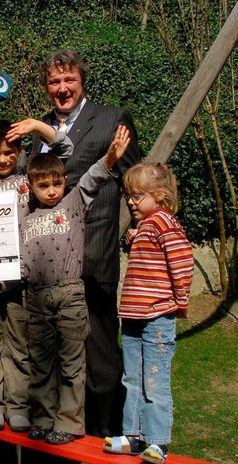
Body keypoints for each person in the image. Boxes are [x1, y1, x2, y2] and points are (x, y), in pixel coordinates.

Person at [30, 49, 142, 437]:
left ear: (82, 81)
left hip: (93, 257)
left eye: (69, 80)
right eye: (54, 82)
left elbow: (135, 179)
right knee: (56, 357)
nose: (62, 89)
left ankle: (108, 434)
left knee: (100, 356)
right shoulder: (40, 129)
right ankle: (67, 433)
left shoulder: (111, 119)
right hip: (47, 269)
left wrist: (144, 226)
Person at [0, 119, 73, 433]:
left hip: (21, 282)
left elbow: (65, 151)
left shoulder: (30, 182)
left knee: (19, 348)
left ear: (20, 151)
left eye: (9, 152)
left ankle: (18, 406)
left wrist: (36, 127)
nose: (3, 159)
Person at [20, 126, 130, 445]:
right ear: (31, 186)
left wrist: (110, 158)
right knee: (40, 363)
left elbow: (92, 179)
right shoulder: (24, 216)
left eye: (56, 183)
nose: (51, 190)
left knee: (71, 363)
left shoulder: (73, 205)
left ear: (64, 182)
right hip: (37, 298)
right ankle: (42, 417)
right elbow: (20, 261)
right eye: (44, 185)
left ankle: (70, 421)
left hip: (69, 294)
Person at [103, 163, 193, 464]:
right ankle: (132, 437)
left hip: (157, 317)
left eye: (138, 196)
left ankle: (157, 442)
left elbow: (182, 264)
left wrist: (179, 303)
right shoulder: (148, 226)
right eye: (129, 195)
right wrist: (133, 238)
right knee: (132, 379)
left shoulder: (164, 223)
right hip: (132, 318)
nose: (131, 201)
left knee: (154, 382)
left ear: (160, 195)